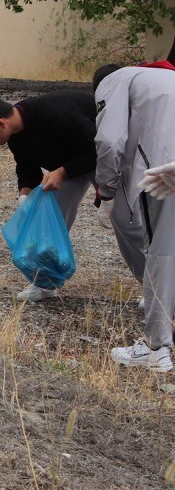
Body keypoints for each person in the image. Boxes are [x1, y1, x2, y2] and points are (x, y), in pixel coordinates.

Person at [95, 62, 175, 372]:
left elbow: (109, 140)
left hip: (161, 174)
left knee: (161, 255)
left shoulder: (114, 81)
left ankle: (157, 350)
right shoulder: (164, 77)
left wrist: (106, 193)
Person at [0, 90, 97, 301]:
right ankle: (45, 283)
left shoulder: (55, 113)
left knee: (126, 220)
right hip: (70, 165)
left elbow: (98, 147)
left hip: (104, 156)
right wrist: (25, 197)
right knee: (47, 219)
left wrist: (63, 171)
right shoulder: (16, 136)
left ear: (0, 124)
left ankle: (157, 286)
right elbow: (27, 168)